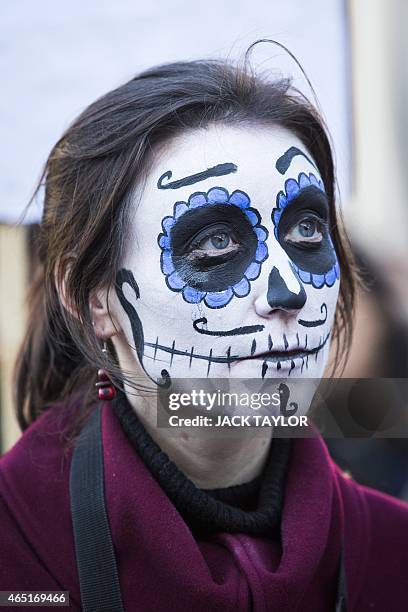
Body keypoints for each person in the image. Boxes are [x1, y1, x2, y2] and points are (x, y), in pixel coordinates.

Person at [1, 57, 407, 612]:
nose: (285, 291)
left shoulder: (392, 553)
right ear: (95, 299)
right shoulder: (16, 557)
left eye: (306, 229)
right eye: (214, 245)